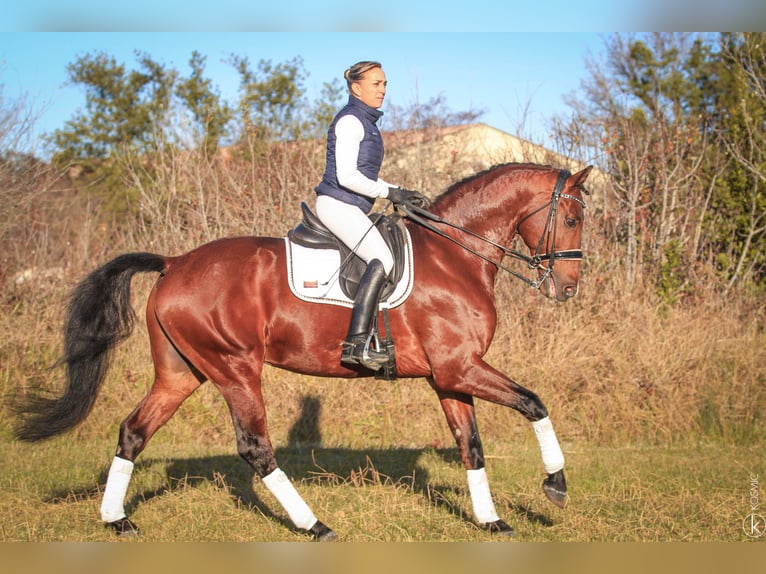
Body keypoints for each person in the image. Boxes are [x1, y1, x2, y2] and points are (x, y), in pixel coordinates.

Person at [314, 60, 428, 370]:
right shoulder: (351, 121)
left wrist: (400, 192)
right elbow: (348, 177)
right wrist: (390, 192)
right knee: (384, 259)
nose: (382, 90)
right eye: (376, 84)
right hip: (337, 203)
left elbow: (364, 177)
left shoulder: (367, 123)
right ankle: (357, 346)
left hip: (350, 205)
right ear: (356, 88)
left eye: (385, 84)